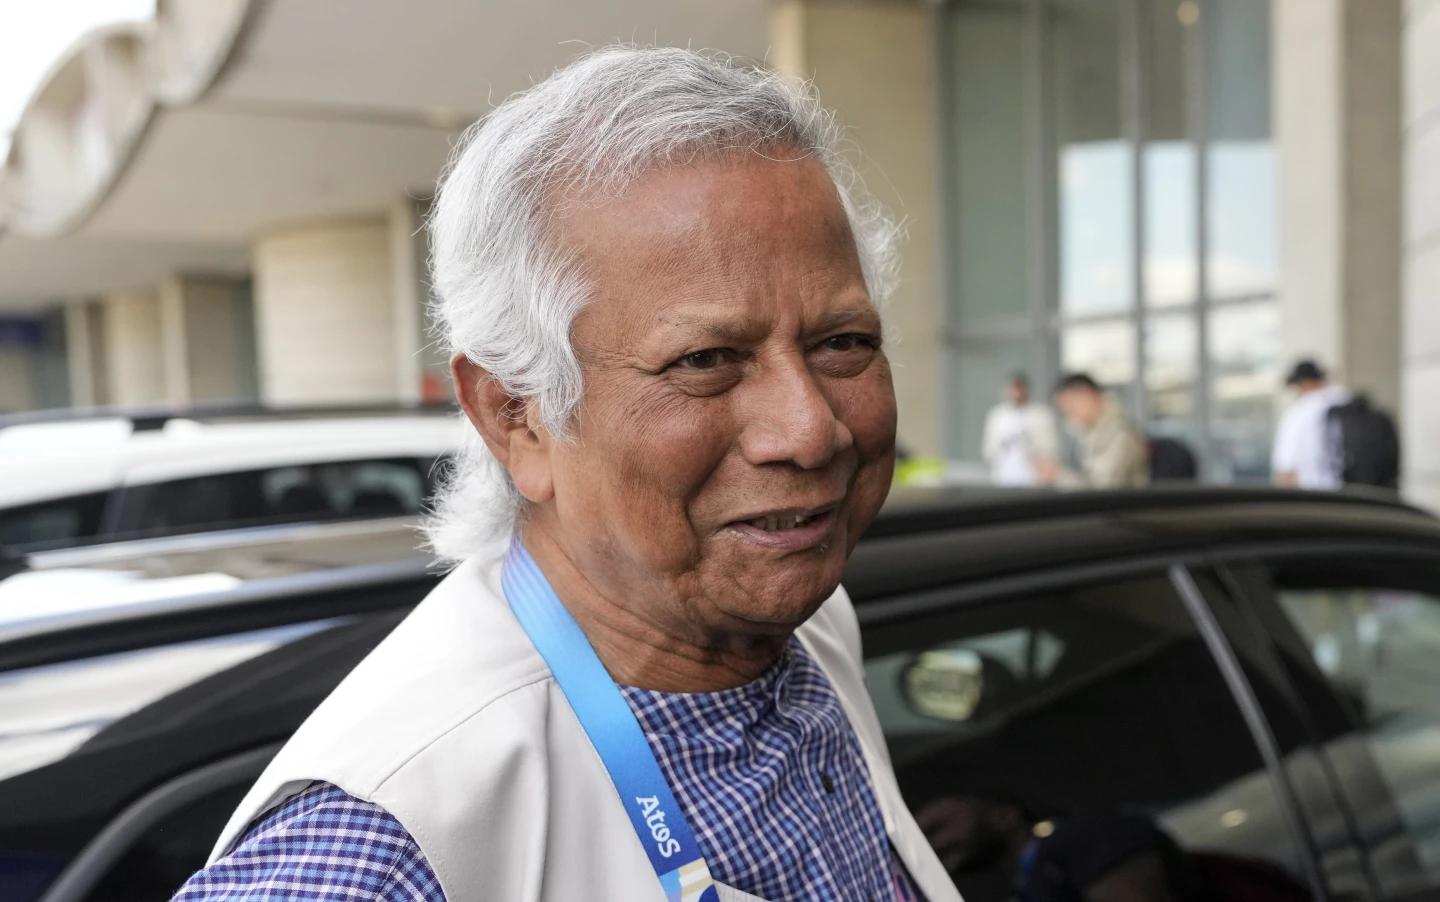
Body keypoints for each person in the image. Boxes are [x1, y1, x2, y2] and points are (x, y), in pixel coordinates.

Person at [171, 48, 959, 902]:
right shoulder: (387, 848)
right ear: (518, 416)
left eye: (843, 342)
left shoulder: (807, 622)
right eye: (706, 360)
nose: (810, 430)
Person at [1039, 373, 1149, 489]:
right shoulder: (1093, 432)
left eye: (1071, 407)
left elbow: (1102, 488)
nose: (1069, 415)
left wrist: (1058, 476)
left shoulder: (1119, 434)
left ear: (1089, 396)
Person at [1271, 359, 1351, 490]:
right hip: (1359, 494)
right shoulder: (1348, 401)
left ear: (1303, 383)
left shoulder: (1299, 413)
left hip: (1317, 494)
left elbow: (1286, 471)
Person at [982, 373, 1060, 486]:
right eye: (1013, 388)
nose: (1016, 392)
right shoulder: (997, 415)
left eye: (1019, 388)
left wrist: (1030, 443)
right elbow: (989, 450)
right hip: (1003, 475)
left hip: (1035, 477)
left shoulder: (1041, 414)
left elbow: (1051, 449)